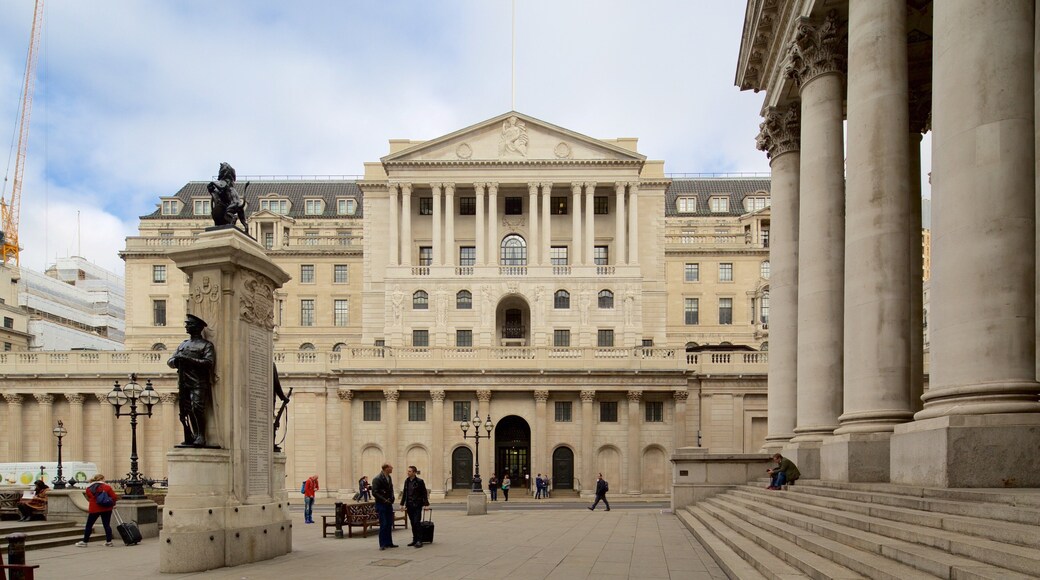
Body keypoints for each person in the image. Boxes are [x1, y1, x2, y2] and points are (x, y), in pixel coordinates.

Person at [167, 314, 216, 447]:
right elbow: (170, 362)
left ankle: (201, 435)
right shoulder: (183, 344)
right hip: (184, 382)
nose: (186, 326)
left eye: (189, 324)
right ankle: (193, 435)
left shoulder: (206, 345)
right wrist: (177, 360)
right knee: (186, 410)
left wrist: (188, 360)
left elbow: (208, 363)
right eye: (186, 324)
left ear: (198, 327)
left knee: (197, 408)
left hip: (198, 382)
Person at [76, 474, 119, 547]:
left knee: (89, 525)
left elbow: (89, 497)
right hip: (106, 508)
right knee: (106, 525)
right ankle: (109, 542)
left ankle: (85, 541)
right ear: (102, 479)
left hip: (94, 508)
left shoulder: (89, 488)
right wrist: (113, 504)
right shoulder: (107, 487)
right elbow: (114, 497)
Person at [400, 466, 430, 548]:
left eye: (410, 471)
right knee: (412, 523)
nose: (408, 472)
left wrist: (426, 505)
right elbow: (404, 493)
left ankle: (419, 540)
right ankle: (415, 539)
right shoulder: (406, 481)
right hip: (409, 505)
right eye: (408, 471)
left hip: (417, 504)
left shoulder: (420, 481)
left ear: (414, 472)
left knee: (417, 522)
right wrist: (402, 504)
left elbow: (424, 493)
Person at [371, 463, 398, 551]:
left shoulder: (389, 477)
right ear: (386, 468)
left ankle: (389, 543)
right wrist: (384, 500)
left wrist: (392, 497)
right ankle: (382, 544)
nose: (392, 469)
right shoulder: (377, 479)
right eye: (391, 467)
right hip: (381, 504)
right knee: (384, 524)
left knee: (389, 523)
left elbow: (391, 489)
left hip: (388, 504)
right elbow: (375, 492)